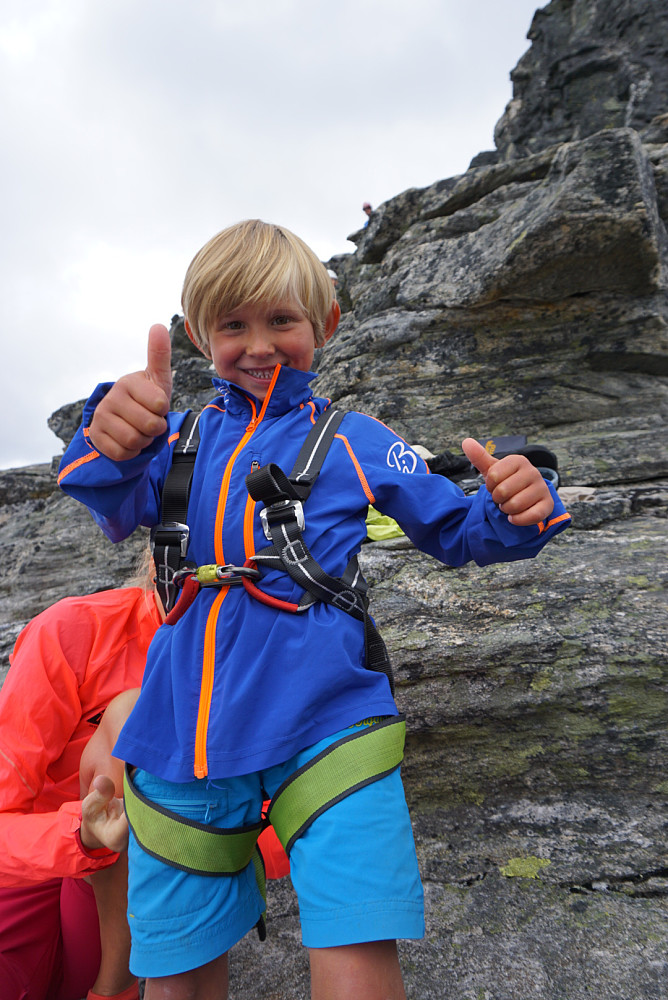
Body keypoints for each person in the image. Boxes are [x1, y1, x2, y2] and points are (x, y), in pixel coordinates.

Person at [57, 218, 571, 1000]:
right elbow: (112, 497)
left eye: (281, 321)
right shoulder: (172, 442)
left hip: (331, 728)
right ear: (198, 337)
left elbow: (460, 530)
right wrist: (112, 435)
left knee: (356, 949)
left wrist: (516, 506)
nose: (259, 344)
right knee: (173, 973)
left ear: (325, 325)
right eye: (233, 324)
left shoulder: (356, 441)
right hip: (179, 738)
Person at [0, 578, 289, 1000]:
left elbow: (279, 825)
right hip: (34, 876)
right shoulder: (72, 632)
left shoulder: (261, 658)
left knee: (131, 720)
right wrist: (81, 835)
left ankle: (113, 990)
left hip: (127, 901)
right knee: (131, 715)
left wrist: (189, 844)